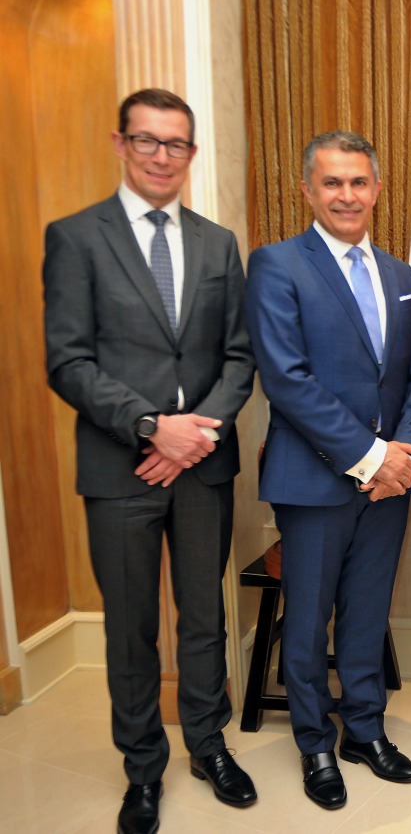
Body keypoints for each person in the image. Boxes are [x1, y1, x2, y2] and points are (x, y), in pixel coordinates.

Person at [43, 88, 257, 834]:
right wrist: (148, 428)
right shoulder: (75, 238)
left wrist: (196, 434)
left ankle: (208, 746)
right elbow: (66, 361)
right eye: (148, 141)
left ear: (192, 155)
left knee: (204, 618)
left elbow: (238, 356)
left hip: (202, 465)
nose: (163, 156)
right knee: (132, 627)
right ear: (121, 143)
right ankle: (142, 768)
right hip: (118, 471)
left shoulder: (217, 242)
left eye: (177, 144)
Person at [244, 131, 411, 811]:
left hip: (390, 484)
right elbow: (287, 381)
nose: (347, 195)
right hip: (314, 480)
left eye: (358, 182)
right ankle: (315, 743)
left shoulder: (402, 277)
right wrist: (373, 458)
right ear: (307, 191)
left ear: (377, 190)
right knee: (309, 616)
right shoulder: (277, 265)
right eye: (332, 183)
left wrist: (402, 455)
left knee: (367, 611)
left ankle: (366, 731)